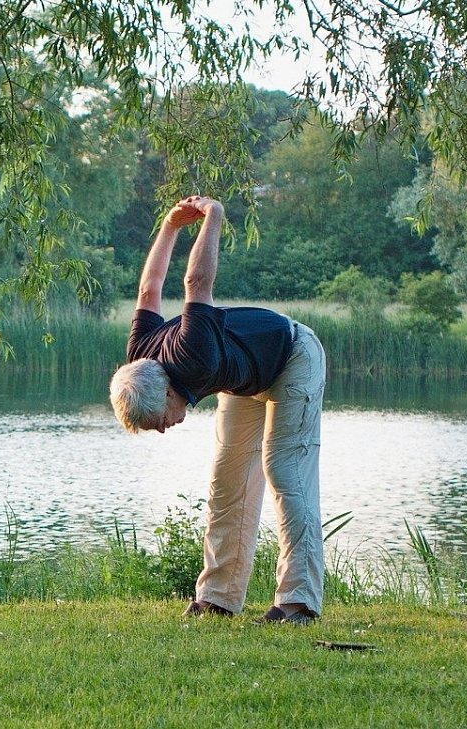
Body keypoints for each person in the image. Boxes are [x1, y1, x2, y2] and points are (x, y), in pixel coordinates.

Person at [109, 195, 327, 625]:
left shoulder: (193, 355)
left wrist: (214, 216)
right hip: (244, 377)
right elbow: (148, 289)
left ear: (168, 393)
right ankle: (218, 597)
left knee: (284, 470)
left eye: (159, 423)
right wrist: (169, 226)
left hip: (294, 356)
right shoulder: (140, 355)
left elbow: (196, 283)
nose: (165, 430)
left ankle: (299, 602)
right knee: (227, 482)